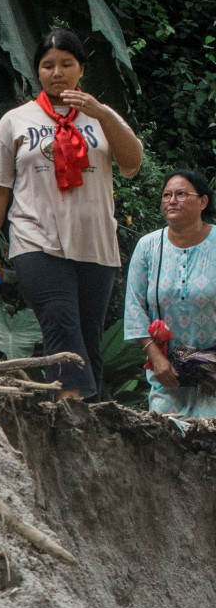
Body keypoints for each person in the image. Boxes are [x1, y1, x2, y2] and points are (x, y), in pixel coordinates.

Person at [0, 27, 143, 399]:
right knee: (61, 327)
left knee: (88, 338)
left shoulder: (100, 116)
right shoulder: (15, 121)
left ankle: (88, 421)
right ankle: (71, 415)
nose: (57, 72)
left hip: (96, 246)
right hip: (37, 242)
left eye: (66, 64)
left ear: (81, 69)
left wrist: (99, 112)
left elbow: (132, 162)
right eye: (48, 65)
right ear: (37, 72)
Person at [124, 168, 216, 423]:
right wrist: (156, 358)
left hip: (214, 375)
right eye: (166, 195)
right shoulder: (148, 247)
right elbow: (133, 308)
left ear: (203, 202)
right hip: (168, 375)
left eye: (181, 194)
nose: (172, 200)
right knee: (167, 440)